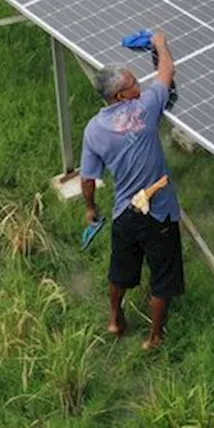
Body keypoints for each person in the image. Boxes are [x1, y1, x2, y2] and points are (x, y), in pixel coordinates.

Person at [80, 31, 183, 351]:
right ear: (122, 97)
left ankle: (114, 320)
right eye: (134, 85)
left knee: (120, 271)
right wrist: (160, 43)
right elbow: (167, 73)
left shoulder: (94, 130)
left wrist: (90, 208)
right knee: (163, 278)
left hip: (125, 212)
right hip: (158, 212)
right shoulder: (144, 109)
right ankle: (154, 337)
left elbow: (87, 178)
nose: (142, 87)